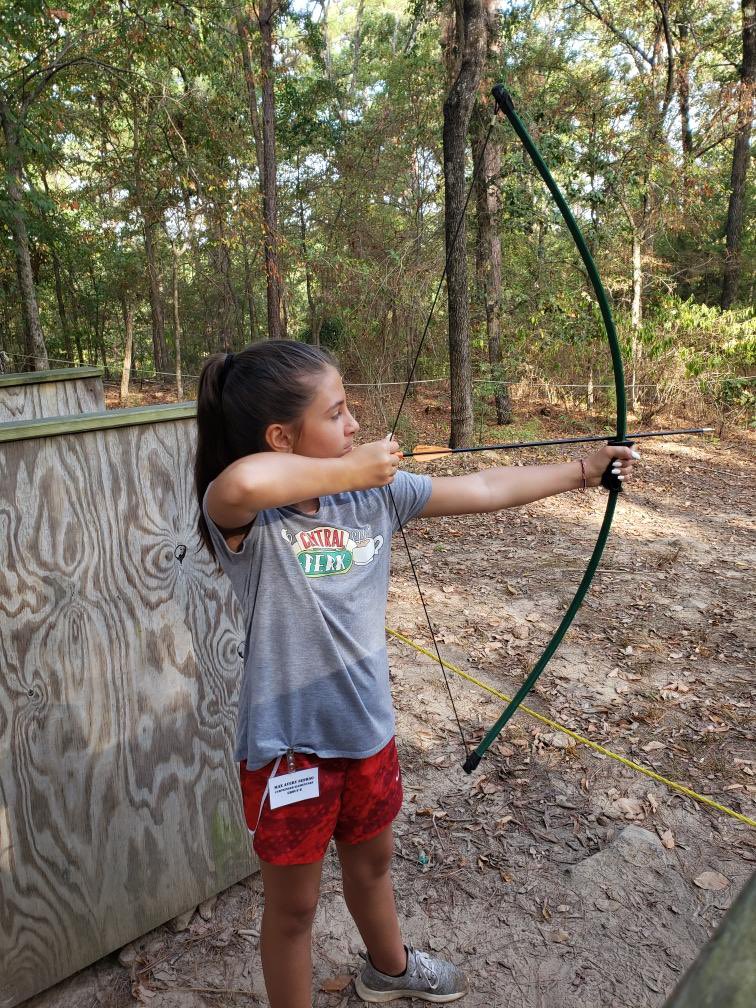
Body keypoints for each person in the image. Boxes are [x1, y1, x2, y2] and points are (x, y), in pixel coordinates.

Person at [195, 339, 638, 1007]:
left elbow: (486, 487)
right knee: (293, 911)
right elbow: (239, 483)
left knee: (372, 867)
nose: (354, 426)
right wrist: (350, 472)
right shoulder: (252, 521)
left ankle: (390, 968)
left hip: (366, 731)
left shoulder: (378, 498)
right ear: (282, 436)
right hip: (288, 750)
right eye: (337, 414)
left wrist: (581, 469)